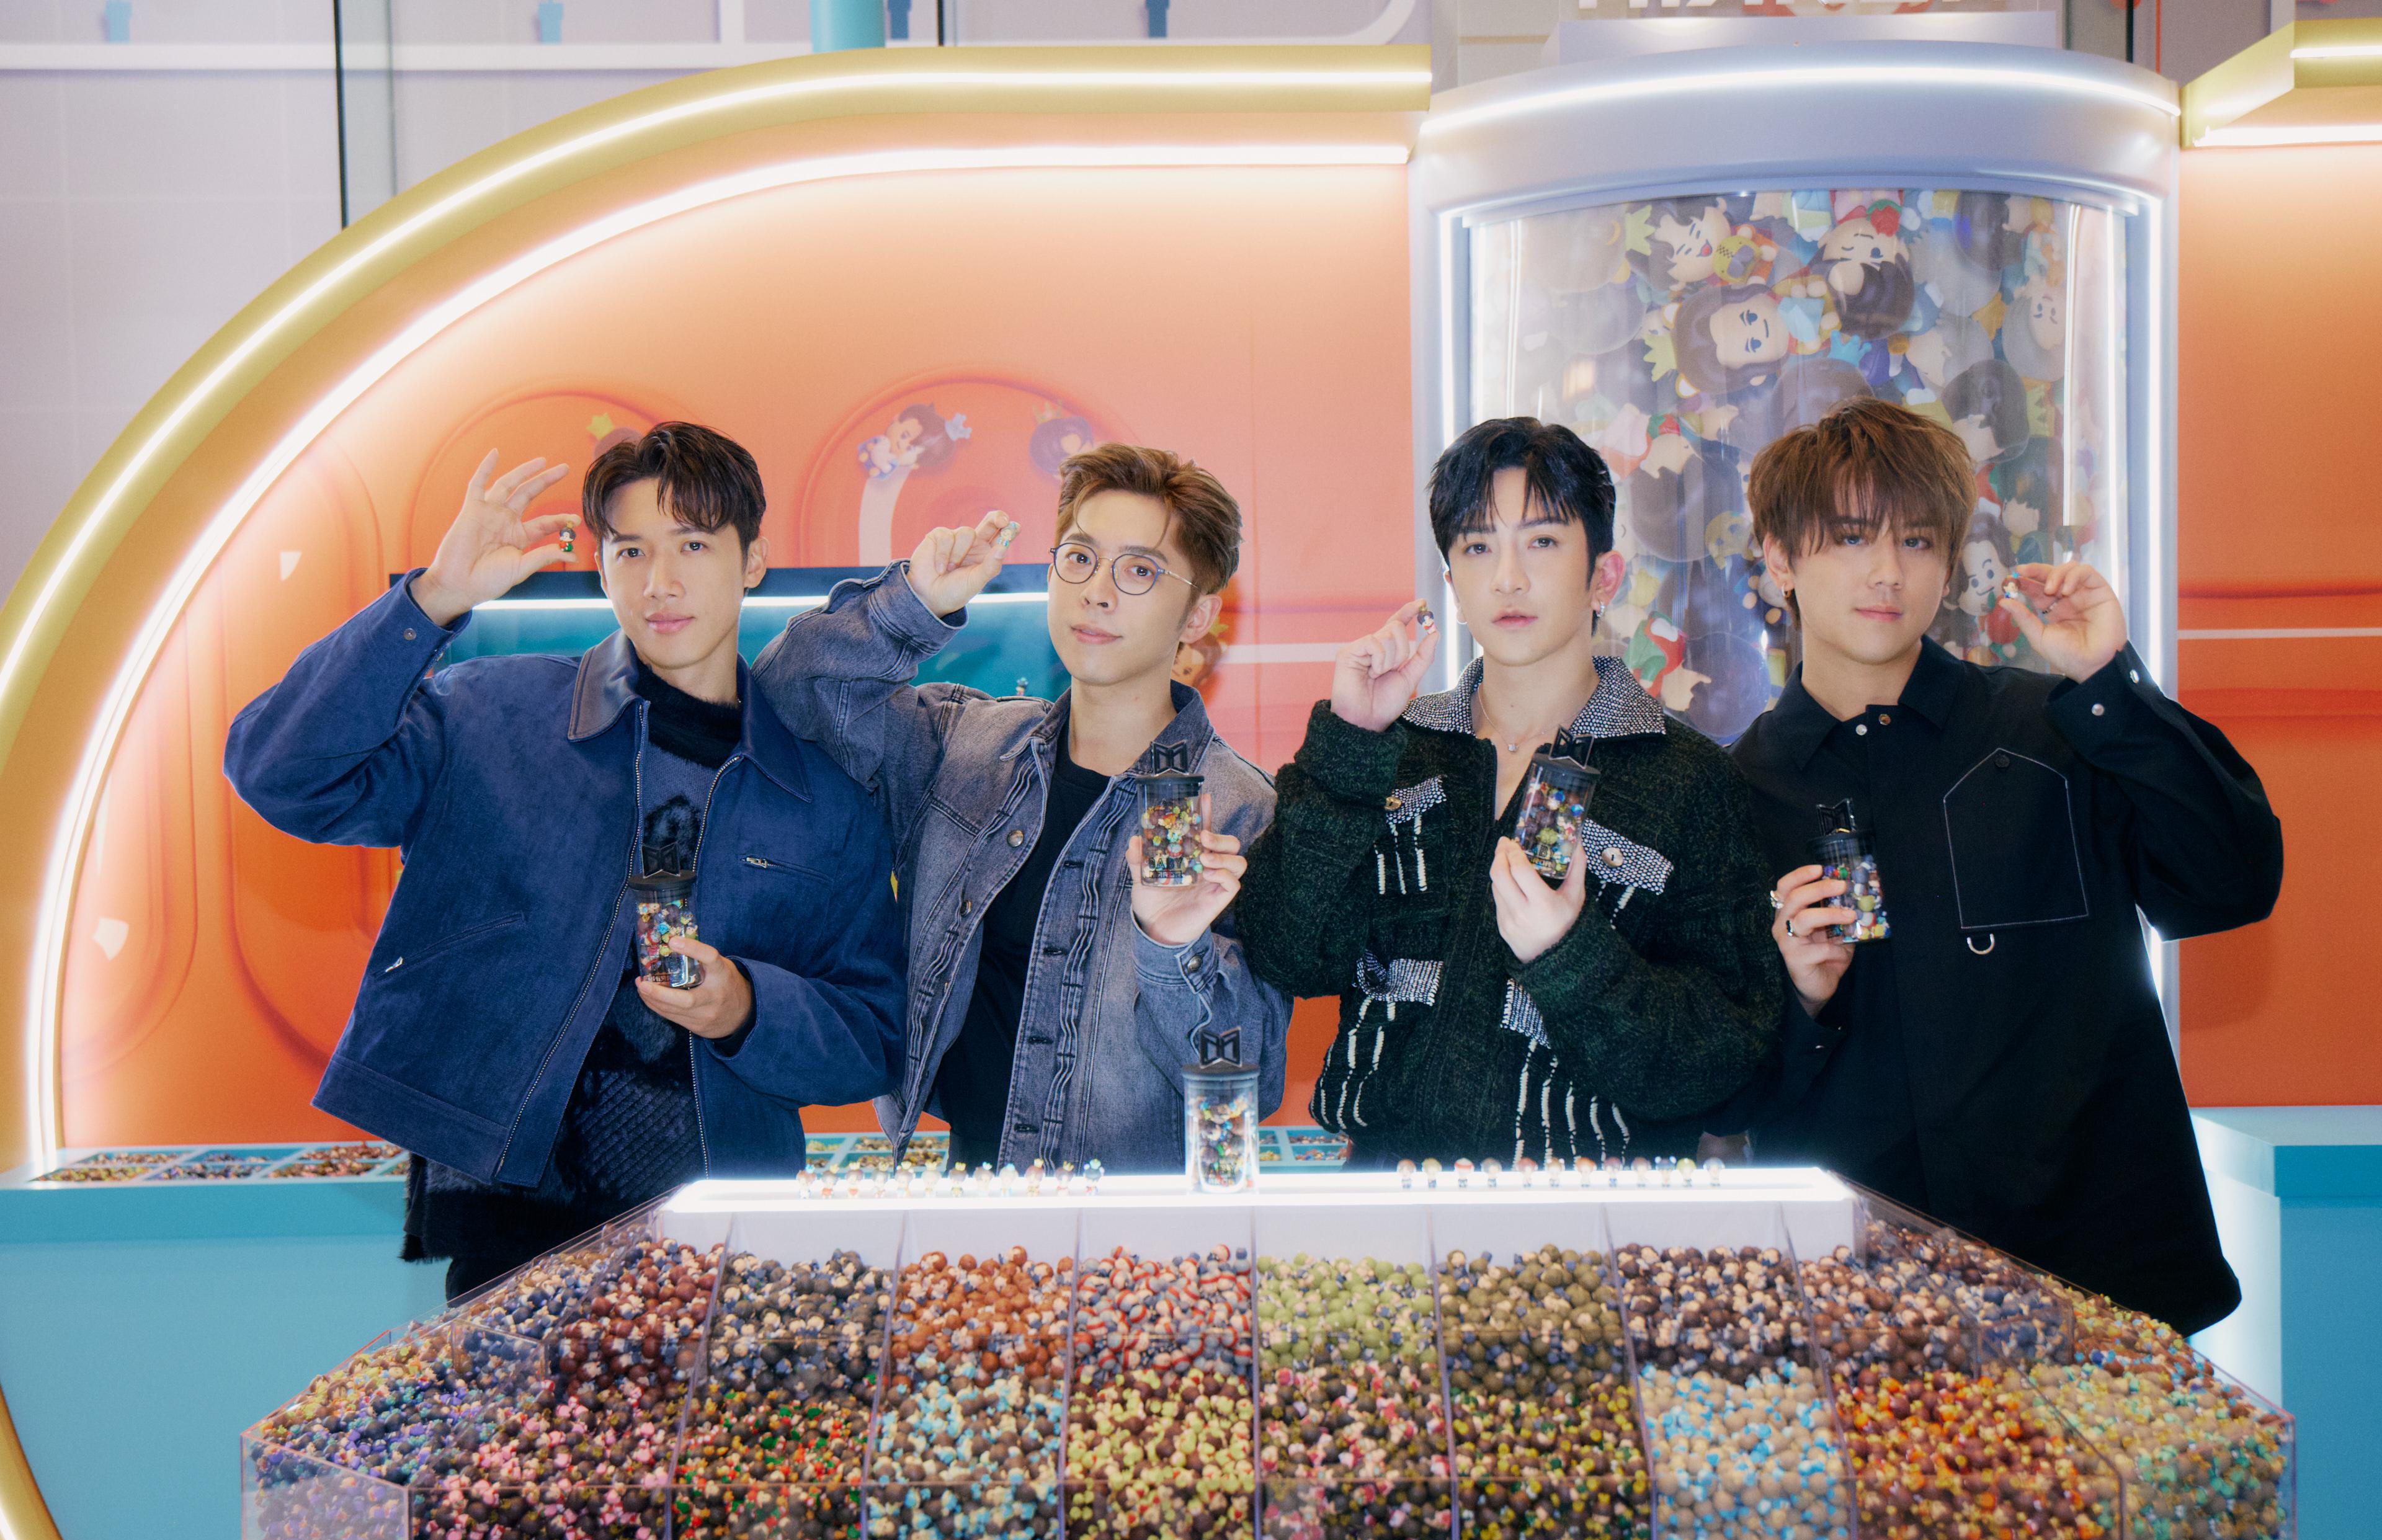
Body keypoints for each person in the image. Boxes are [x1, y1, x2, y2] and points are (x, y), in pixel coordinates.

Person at [226, 424, 906, 1299]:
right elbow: (281, 771)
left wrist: (746, 1007)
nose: (660, 582)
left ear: (754, 560)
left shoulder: (821, 800)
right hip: (506, 1243)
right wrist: (432, 599)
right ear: (601, 566)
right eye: (631, 550)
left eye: (694, 545)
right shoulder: (489, 715)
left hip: (722, 1251)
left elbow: (873, 1036)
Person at [1735, 396, 2282, 1334]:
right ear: (1780, 559)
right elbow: (1728, 1087)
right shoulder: (1733, 792)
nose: (1888, 570)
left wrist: (2111, 683)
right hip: (1859, 1302)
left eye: (1918, 540)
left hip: (2099, 1282)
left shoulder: (2059, 729)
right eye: (1852, 537)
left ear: (1950, 564)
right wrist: (1802, 1002)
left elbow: (2230, 881)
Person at [1236, 416, 1783, 1168]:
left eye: (1543, 541)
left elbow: (1728, 1064)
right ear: (1453, 585)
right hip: (1385, 1195)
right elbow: (1285, 952)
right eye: (1478, 547)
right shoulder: (1394, 749)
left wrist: (1570, 956)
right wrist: (1350, 745)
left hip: (1585, 1215)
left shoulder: (1685, 777)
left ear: (1604, 576)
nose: (1508, 578)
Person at [750, 442, 1288, 1172]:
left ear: (1198, 615)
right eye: (1080, 558)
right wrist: (910, 605)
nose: (1097, 592)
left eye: (1139, 570)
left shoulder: (1237, 810)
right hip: (969, 1192)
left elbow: (1243, 1092)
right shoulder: (964, 747)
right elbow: (789, 698)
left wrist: (1172, 948)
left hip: (1139, 1222)